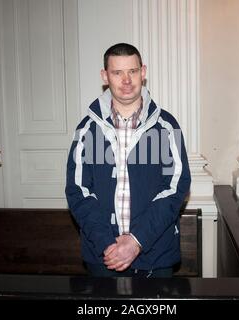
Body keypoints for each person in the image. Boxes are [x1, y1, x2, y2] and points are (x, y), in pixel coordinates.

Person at [65, 43, 191, 278]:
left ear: (143, 72)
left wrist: (136, 241)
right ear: (105, 76)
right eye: (117, 72)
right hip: (104, 256)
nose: (126, 80)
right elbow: (78, 191)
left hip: (155, 254)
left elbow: (175, 189)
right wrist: (107, 243)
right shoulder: (86, 129)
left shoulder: (166, 126)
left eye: (132, 71)